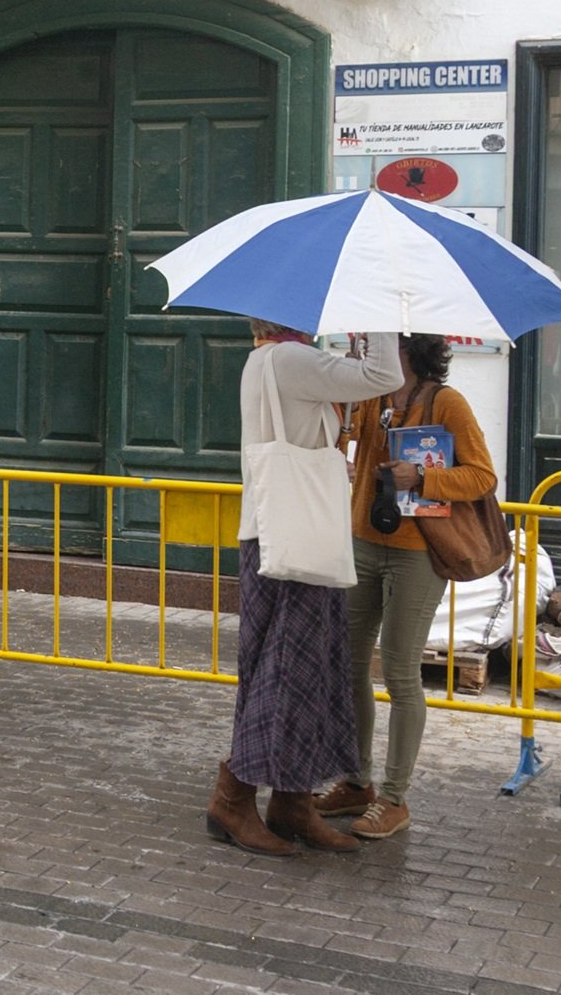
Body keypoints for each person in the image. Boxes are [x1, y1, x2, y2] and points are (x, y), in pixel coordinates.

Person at [207, 323, 401, 857]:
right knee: (285, 669)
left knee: (301, 668)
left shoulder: (268, 363)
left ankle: (290, 802)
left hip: (285, 536)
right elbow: (384, 374)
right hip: (295, 541)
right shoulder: (291, 360)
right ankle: (234, 798)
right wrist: (379, 317)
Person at [316, 333, 497, 840]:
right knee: (347, 664)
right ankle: (357, 780)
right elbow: (334, 441)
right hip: (364, 540)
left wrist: (421, 476)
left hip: (418, 551)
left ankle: (395, 797)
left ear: (411, 356)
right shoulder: (371, 398)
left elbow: (482, 476)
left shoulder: (447, 403)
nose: (376, 357)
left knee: (399, 669)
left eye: (384, 349)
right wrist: (341, 411)